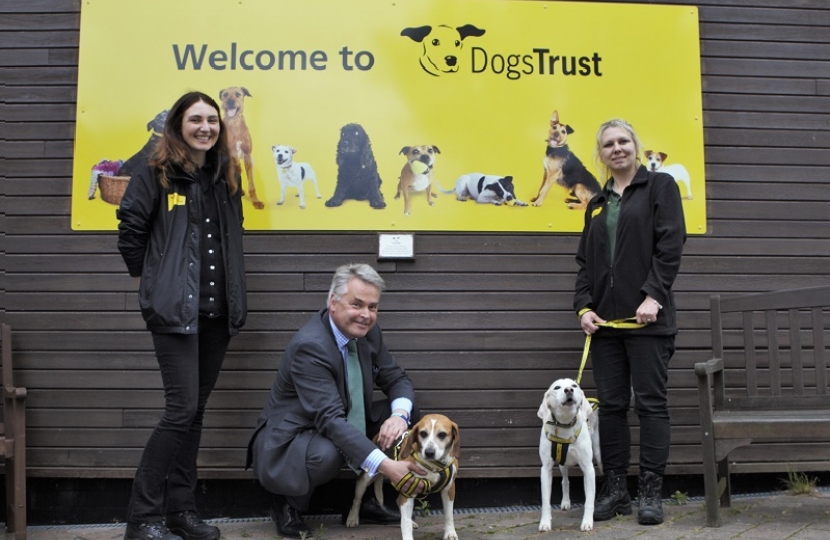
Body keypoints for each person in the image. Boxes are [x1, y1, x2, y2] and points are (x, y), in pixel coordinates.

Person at [117, 91, 247, 540]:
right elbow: (130, 232)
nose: (206, 127)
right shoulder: (156, 173)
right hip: (174, 313)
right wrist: (150, 283)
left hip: (216, 314)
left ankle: (181, 512)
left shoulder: (225, 175)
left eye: (212, 120)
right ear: (177, 124)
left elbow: (231, 240)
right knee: (180, 410)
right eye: (196, 119)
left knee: (193, 415)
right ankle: (142, 517)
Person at [247, 263, 426, 538]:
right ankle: (285, 502)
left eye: (373, 307)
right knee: (326, 454)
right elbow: (330, 420)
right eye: (357, 304)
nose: (366, 315)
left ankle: (360, 501)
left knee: (413, 419)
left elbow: (396, 378)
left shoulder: (369, 333)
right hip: (293, 437)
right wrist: (388, 467)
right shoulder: (310, 346)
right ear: (333, 302)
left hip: (338, 419)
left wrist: (399, 417)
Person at [573, 118, 686, 526]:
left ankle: (651, 492)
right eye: (608, 144)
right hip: (606, 327)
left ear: (636, 147)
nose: (616, 148)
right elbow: (585, 262)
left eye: (623, 141)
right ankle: (616, 489)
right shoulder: (598, 202)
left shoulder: (660, 187)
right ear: (600, 154)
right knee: (613, 407)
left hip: (649, 322)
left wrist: (654, 295)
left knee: (652, 405)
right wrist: (584, 308)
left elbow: (671, 243)